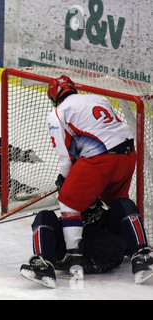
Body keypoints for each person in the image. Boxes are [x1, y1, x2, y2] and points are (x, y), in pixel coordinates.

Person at [35, 74, 152, 280]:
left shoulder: (57, 114)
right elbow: (104, 131)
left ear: (54, 98)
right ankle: (141, 253)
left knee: (68, 202)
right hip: (127, 155)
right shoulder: (99, 99)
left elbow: (65, 160)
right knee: (119, 204)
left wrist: (65, 180)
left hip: (101, 159)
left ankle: (74, 257)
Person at [20, 198, 153, 288]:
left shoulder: (90, 177)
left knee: (124, 204)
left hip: (102, 249)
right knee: (44, 215)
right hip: (68, 256)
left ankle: (141, 254)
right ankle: (44, 265)